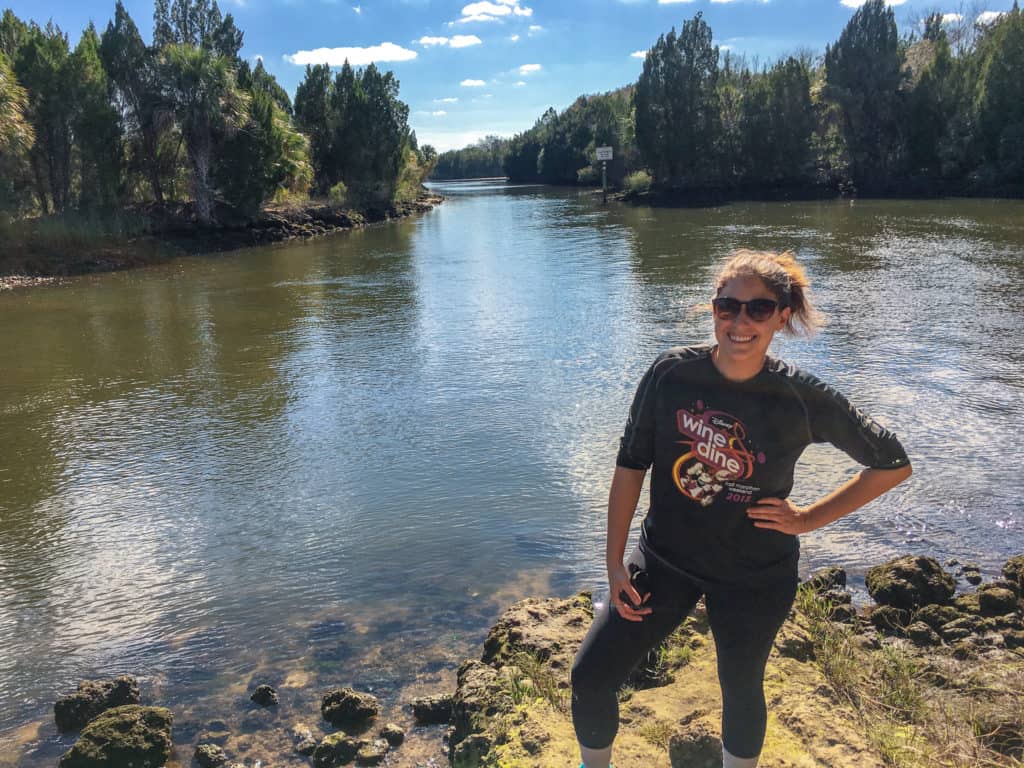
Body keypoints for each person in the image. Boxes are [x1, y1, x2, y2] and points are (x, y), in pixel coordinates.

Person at [570, 250, 913, 768]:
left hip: (755, 573)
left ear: (781, 315)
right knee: (591, 674)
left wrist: (808, 519)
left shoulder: (799, 395)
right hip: (664, 560)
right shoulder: (670, 376)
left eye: (758, 309)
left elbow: (891, 462)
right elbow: (630, 463)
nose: (740, 322)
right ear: (713, 311)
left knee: (741, 686)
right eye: (728, 306)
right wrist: (615, 560)